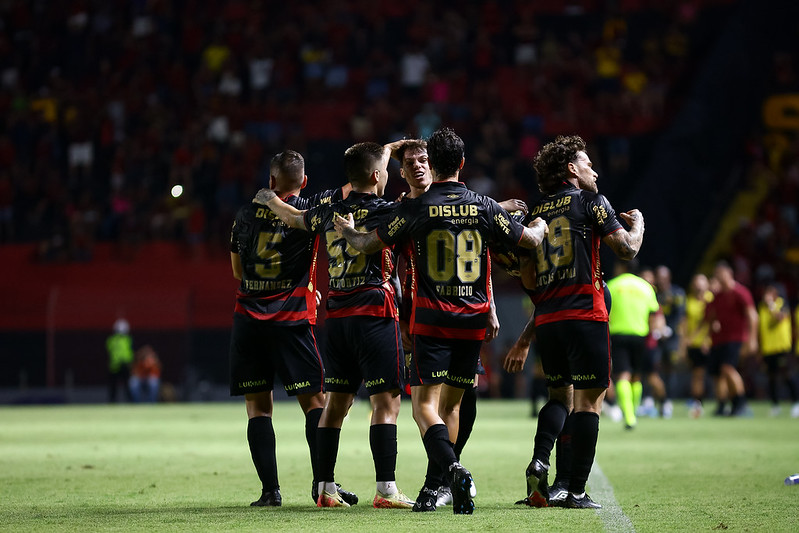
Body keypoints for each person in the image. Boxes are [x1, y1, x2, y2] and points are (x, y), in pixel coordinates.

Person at [334, 127, 549, 515]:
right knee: (452, 407)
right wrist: (540, 226)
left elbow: (368, 244)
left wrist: (348, 230)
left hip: (432, 320)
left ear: (432, 164)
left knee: (423, 409)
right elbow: (528, 242)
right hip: (471, 320)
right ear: (462, 163)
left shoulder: (413, 208)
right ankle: (439, 485)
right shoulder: (483, 205)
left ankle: (450, 472)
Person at [253, 142, 415, 508]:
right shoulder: (389, 212)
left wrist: (268, 199)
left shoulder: (327, 210)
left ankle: (325, 487)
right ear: (376, 176)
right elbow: (431, 215)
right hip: (374, 313)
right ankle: (387, 490)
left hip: (337, 318)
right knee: (386, 403)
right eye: (385, 168)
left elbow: (294, 218)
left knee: (336, 405)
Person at [502, 134, 644, 509]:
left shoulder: (535, 213)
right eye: (587, 163)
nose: (594, 170)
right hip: (585, 313)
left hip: (548, 320)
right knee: (589, 403)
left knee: (558, 396)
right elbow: (626, 249)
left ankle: (545, 467)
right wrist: (639, 225)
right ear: (571, 170)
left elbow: (529, 281)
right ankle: (576, 491)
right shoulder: (590, 200)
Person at [228, 150, 356, 507]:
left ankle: (270, 492)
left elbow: (238, 271)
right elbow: (351, 188)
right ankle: (323, 485)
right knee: (315, 402)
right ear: (303, 181)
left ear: (270, 182)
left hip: (249, 320)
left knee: (258, 407)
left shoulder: (244, 214)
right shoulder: (309, 212)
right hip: (292, 319)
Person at [606, 261, 661, 429]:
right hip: (640, 335)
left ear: (620, 267)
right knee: (636, 376)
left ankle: (629, 417)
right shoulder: (646, 287)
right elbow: (653, 315)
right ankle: (633, 412)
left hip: (618, 335)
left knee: (622, 374)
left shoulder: (611, 286)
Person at [703, 261, 758, 417]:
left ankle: (741, 404)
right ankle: (728, 405)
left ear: (728, 273)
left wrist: (752, 339)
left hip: (736, 338)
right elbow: (710, 318)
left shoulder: (740, 292)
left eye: (719, 273)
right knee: (719, 373)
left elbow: (753, 316)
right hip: (719, 340)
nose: (717, 277)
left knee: (728, 369)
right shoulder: (718, 296)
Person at [757, 283, 799, 417]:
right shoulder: (761, 308)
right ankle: (775, 405)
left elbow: (779, 318)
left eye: (770, 292)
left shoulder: (782, 305)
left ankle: (796, 403)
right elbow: (761, 329)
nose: (767, 295)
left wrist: (771, 306)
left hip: (781, 347)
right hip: (768, 349)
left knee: (787, 375)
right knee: (771, 378)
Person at [653, 265, 685, 418]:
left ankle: (668, 401)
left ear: (668, 278)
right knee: (654, 368)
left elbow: (680, 316)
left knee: (670, 369)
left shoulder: (677, 293)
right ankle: (653, 400)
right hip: (656, 338)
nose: (660, 280)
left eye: (663, 277)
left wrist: (669, 329)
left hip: (671, 339)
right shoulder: (653, 293)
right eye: (658, 277)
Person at [682, 273, 715, 417]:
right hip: (693, 344)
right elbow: (684, 323)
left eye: (701, 282)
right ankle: (697, 402)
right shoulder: (689, 300)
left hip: (710, 343)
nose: (698, 285)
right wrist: (683, 343)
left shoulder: (711, 299)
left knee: (715, 374)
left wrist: (708, 340)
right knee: (697, 374)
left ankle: (722, 402)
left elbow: (713, 322)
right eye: (696, 282)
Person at [106, 318, 134, 403]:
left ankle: (129, 402)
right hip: (117, 366)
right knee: (114, 387)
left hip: (122, 366)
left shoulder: (113, 340)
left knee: (126, 387)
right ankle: (113, 402)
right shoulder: (125, 339)